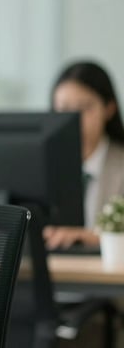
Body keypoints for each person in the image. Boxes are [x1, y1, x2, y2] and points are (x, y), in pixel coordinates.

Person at [44, 61, 124, 250]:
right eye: (63, 109)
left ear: (109, 108)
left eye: (85, 108)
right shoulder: (45, 166)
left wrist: (91, 238)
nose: (73, 119)